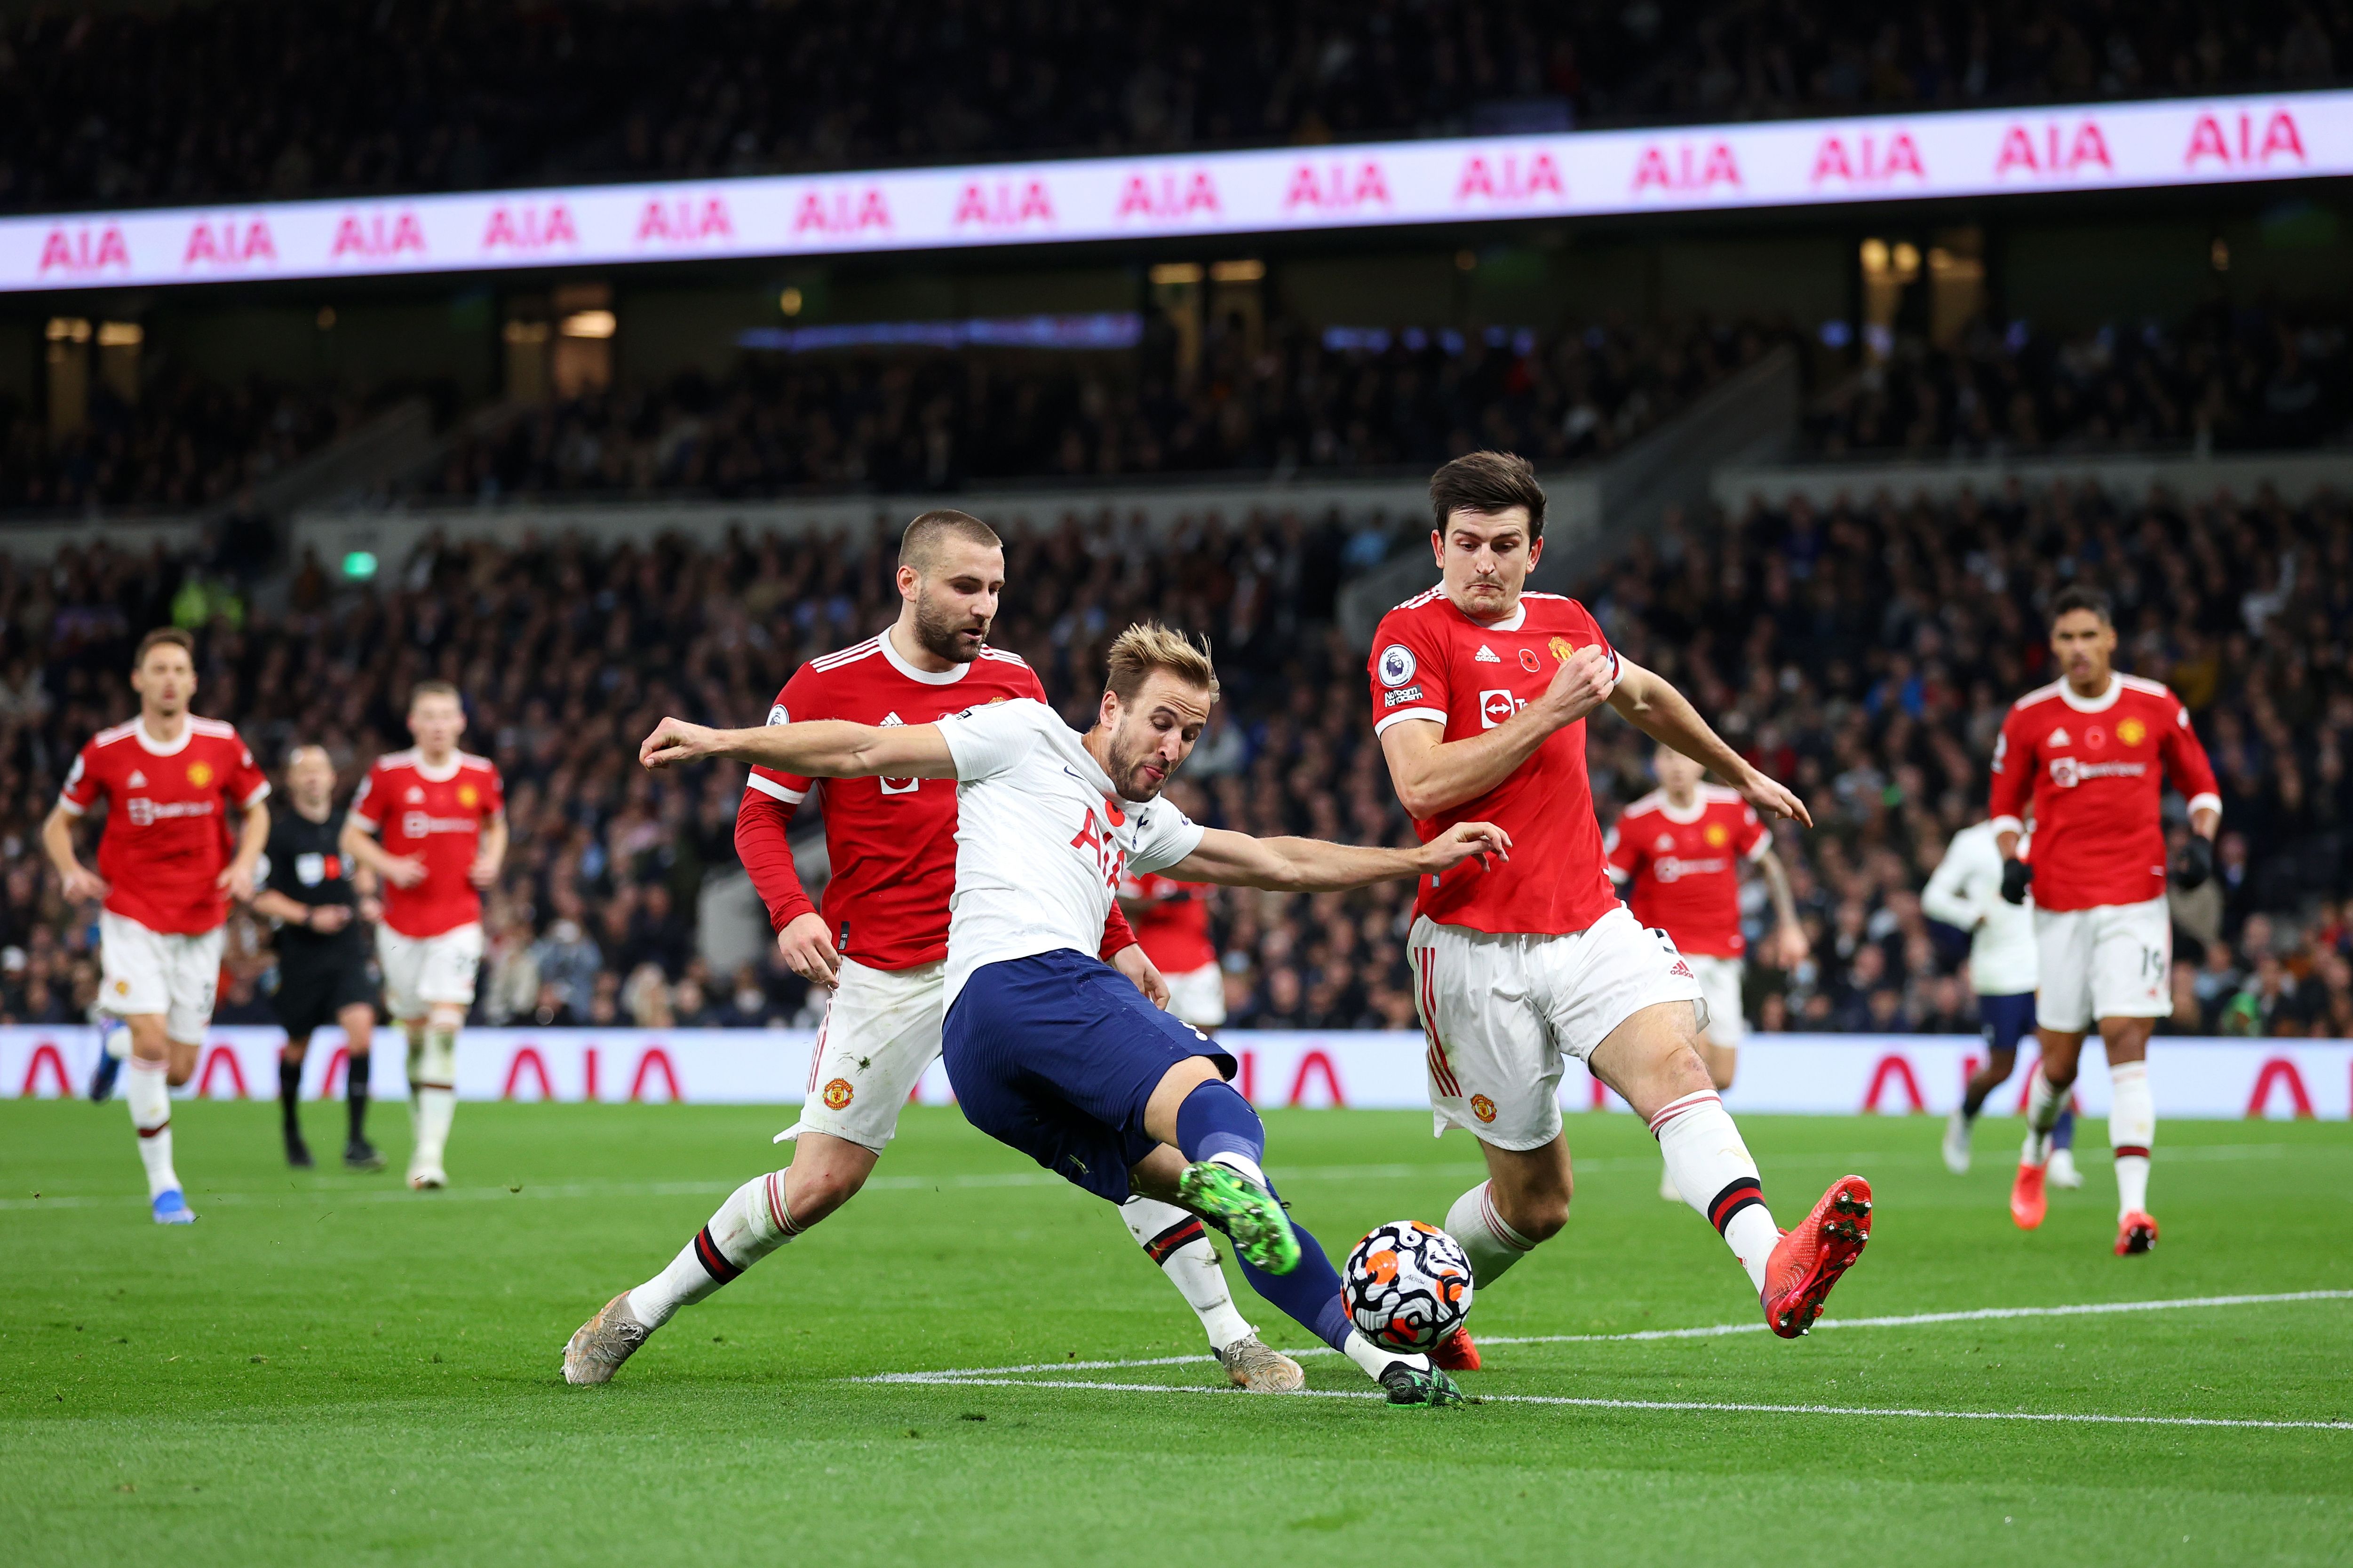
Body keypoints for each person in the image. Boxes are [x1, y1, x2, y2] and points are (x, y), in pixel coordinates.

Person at [622, 623, 1513, 1405]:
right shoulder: (1023, 733)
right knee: (1224, 1114)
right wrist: (723, 739)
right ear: (1111, 705)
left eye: (1192, 733)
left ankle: (1375, 1359)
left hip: (986, 1066)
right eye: (1161, 720)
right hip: (1030, 981)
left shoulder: (1138, 818)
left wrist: (1414, 858)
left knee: (1229, 1197)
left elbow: (1274, 858)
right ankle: (1235, 1178)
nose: (1173, 745)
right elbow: (863, 752)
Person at [570, 510, 1289, 1394]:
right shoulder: (826, 685)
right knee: (820, 1184)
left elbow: (1072, 817)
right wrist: (792, 910)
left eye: (994, 589)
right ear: (908, 580)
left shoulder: (1013, 684)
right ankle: (639, 1309)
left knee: (1124, 1129)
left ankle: (1233, 1337)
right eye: (965, 586)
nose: (984, 605)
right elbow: (759, 815)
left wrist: (1115, 936)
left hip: (1012, 956)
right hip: (885, 968)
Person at [1370, 451, 1870, 1350]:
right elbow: (1420, 783)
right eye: (1469, 544)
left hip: (1589, 922)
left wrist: (1739, 771)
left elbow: (1643, 696)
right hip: (1474, 948)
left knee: (1679, 1065)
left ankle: (1774, 1263)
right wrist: (1546, 712)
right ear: (1437, 545)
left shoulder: (1567, 624)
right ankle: (1415, 1297)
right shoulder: (1412, 638)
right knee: (1538, 1203)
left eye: (1507, 545)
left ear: (1537, 550)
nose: (1485, 562)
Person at [1990, 585, 2220, 1254]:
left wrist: (2200, 842)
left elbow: (2201, 786)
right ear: (2053, 645)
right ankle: (2035, 1145)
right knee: (2057, 1064)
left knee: (2124, 1036)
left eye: (2088, 635)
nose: (2077, 649)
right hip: (2059, 905)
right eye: (2065, 638)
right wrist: (2012, 858)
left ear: (2110, 638)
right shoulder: (2029, 717)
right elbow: (2004, 808)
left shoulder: (2154, 705)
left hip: (2136, 899)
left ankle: (2133, 1212)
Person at [40, 627, 270, 1224]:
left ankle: (112, 1045)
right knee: (152, 1040)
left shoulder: (221, 744)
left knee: (180, 1070)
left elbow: (258, 809)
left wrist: (244, 863)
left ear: (194, 682)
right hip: (133, 915)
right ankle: (165, 1187)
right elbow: (56, 826)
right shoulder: (108, 750)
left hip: (201, 920)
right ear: (138, 680)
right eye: (159, 669)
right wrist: (70, 870)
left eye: (180, 670)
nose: (170, 679)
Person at [1605, 743, 1810, 1201]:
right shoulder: (1638, 821)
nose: (1676, 766)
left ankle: (1682, 1147)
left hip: (1724, 955)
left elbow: (1771, 865)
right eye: (1666, 758)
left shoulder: (1730, 808)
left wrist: (1791, 926)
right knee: (1689, 1064)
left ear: (1699, 762)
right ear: (1655, 765)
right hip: (1669, 958)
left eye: (1682, 757)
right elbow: (1603, 883)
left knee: (1725, 1074)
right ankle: (1684, 1167)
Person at [341, 682, 507, 1190]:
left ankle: (429, 1155)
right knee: (415, 1036)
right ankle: (423, 1137)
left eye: (446, 716)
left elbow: (497, 825)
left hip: (458, 922)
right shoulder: (389, 774)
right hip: (401, 929)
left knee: (444, 1028)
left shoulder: (481, 774)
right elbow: (351, 835)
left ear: (460, 722)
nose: (438, 725)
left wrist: (493, 860)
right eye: (428, 716)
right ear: (413, 722)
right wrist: (389, 864)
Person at [247, 744, 386, 1172]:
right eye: (304, 772)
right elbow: (259, 895)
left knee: (361, 1033)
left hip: (346, 950)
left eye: (320, 771)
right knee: (297, 1049)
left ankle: (356, 1141)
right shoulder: (278, 834)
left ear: (332, 778)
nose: (313, 778)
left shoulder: (349, 828)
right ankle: (291, 1131)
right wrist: (308, 916)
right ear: (291, 783)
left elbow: (363, 869)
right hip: (301, 953)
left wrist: (365, 897)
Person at [1922, 814, 2078, 1186]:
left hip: (2047, 968)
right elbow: (1933, 897)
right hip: (1999, 972)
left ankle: (2061, 1155)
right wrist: (1970, 914)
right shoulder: (1973, 843)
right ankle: (1964, 1116)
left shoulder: (2053, 834)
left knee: (2058, 1062)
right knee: (2001, 1069)